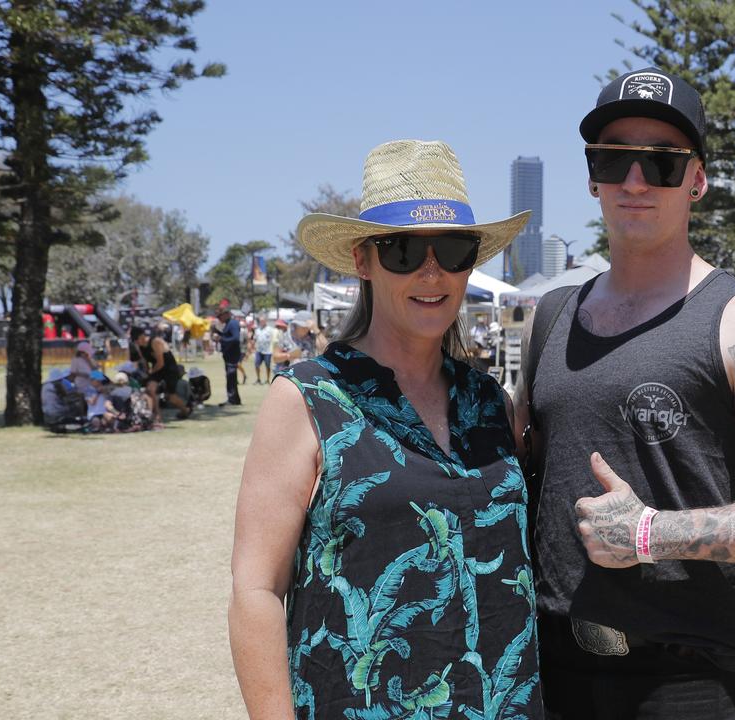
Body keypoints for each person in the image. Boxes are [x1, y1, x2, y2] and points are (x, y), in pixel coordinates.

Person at [515, 68, 735, 719]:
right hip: (551, 678)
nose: (635, 181)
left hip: (690, 685)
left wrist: (651, 534)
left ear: (697, 180)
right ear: (592, 177)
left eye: (662, 164)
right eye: (614, 160)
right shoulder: (550, 318)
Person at [229, 139, 543, 719]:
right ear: (362, 259)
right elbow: (256, 592)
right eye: (402, 250)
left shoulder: (489, 400)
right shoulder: (307, 399)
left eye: (452, 249)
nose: (432, 271)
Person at [129, 325, 190, 425]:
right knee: (150, 389)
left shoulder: (155, 341)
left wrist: (150, 373)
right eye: (135, 340)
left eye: (137, 339)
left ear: (142, 336)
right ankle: (157, 415)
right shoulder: (139, 346)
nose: (137, 342)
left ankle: (185, 410)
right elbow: (144, 361)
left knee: (170, 397)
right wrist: (146, 373)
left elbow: (160, 362)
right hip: (157, 369)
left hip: (169, 369)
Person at [216, 305, 242, 406]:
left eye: (220, 316)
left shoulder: (233, 323)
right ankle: (235, 399)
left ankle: (232, 399)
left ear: (226, 314)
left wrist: (221, 339)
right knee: (231, 378)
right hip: (229, 355)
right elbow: (228, 337)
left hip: (232, 355)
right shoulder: (228, 324)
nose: (219, 319)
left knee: (231, 377)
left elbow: (235, 338)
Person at [252, 313, 276, 384]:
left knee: (267, 365)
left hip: (267, 351)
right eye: (260, 321)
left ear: (265, 321)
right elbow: (255, 339)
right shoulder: (257, 330)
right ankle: (258, 379)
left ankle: (268, 379)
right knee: (256, 364)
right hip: (259, 350)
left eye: (263, 321)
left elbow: (274, 340)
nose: (261, 322)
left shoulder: (270, 329)